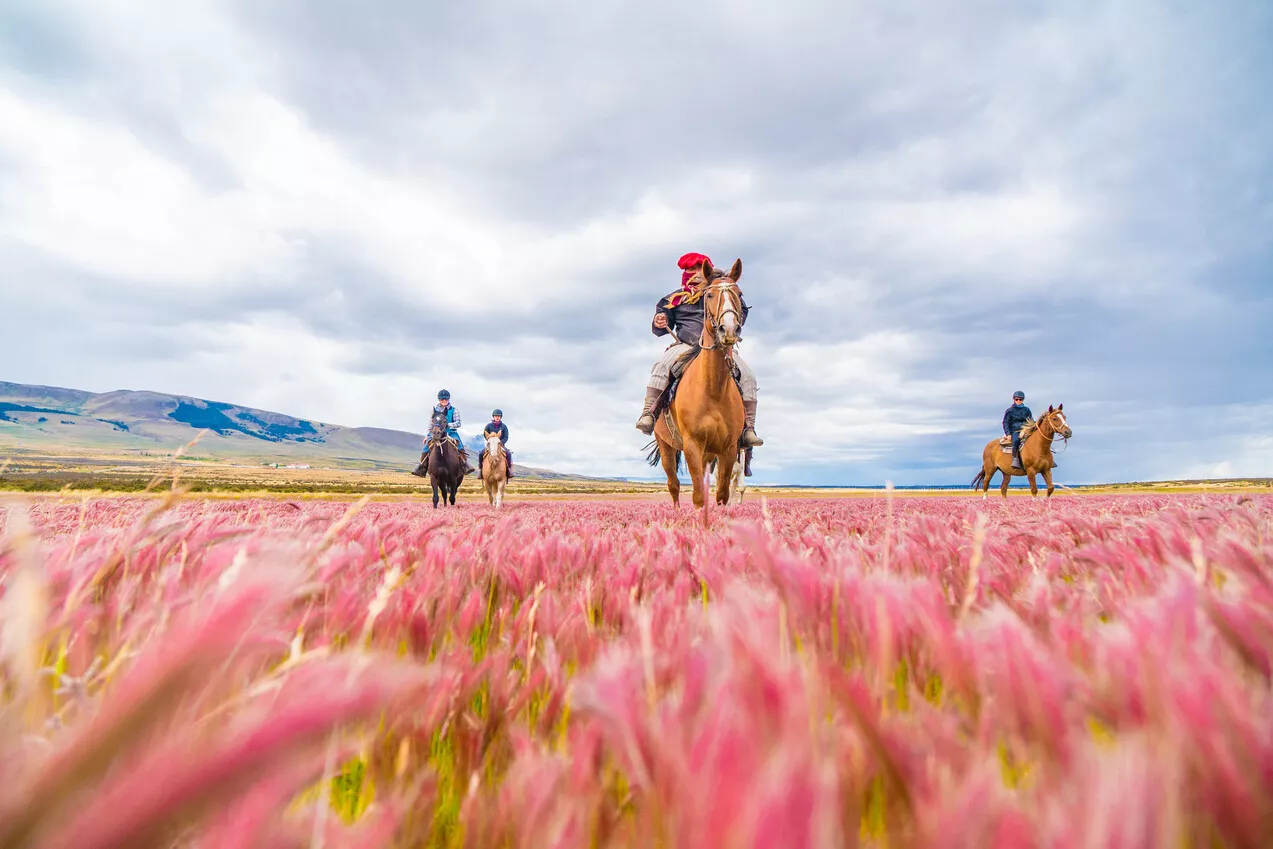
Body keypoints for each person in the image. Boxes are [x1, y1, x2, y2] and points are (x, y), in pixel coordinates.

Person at [634, 252, 764, 447]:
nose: (691, 273)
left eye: (695, 269)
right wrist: (660, 320)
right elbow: (664, 316)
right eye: (687, 270)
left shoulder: (722, 290)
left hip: (719, 346)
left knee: (748, 376)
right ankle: (649, 414)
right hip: (685, 345)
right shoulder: (674, 297)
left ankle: (748, 429)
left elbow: (739, 311)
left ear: (706, 270)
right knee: (661, 367)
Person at [417, 389, 467, 475]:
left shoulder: (454, 410)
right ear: (439, 400)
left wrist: (449, 425)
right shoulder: (435, 410)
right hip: (436, 432)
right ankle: (422, 467)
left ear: (448, 399)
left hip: (451, 432)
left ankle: (465, 465)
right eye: (442, 399)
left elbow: (458, 423)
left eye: (445, 399)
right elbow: (431, 423)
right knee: (426, 447)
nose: (444, 401)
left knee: (460, 446)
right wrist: (428, 434)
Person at [478, 408, 514, 480]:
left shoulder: (504, 426)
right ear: (493, 417)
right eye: (496, 416)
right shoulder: (488, 426)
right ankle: (481, 469)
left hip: (500, 445)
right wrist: (490, 441)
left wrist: (500, 443)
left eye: (498, 416)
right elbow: (485, 435)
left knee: (508, 453)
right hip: (490, 445)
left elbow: (506, 437)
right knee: (481, 454)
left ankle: (509, 470)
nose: (497, 417)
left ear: (500, 417)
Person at [1002, 390, 1032, 471]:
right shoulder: (1010, 410)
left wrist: (1027, 429)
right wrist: (1008, 434)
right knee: (1016, 441)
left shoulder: (1027, 410)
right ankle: (1015, 459)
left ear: (1023, 400)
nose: (1018, 401)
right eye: (1016, 399)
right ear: (1014, 399)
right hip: (1014, 431)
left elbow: (1030, 420)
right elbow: (1005, 422)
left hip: (1025, 430)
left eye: (1020, 399)